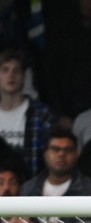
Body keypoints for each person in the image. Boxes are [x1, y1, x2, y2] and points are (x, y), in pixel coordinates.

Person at [0, 48, 54, 176]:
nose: (11, 76)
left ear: (24, 76)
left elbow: (50, 158)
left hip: (30, 187)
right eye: (5, 70)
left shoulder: (41, 113)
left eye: (16, 70)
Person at [20, 129, 91, 196]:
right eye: (55, 149)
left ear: (76, 155)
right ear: (45, 154)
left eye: (67, 150)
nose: (61, 154)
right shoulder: (28, 189)